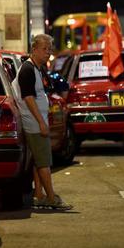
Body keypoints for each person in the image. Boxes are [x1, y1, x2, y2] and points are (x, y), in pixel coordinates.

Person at [16, 34, 73, 210]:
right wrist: (41, 122)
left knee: (38, 160)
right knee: (44, 162)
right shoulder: (27, 69)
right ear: (34, 49)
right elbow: (28, 98)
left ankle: (39, 195)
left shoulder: (36, 68)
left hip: (36, 121)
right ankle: (50, 197)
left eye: (49, 49)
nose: (48, 52)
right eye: (44, 49)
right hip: (34, 123)